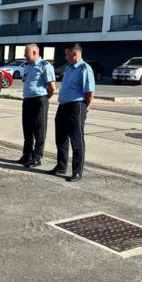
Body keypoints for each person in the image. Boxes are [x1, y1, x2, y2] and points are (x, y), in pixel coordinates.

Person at [47, 43, 95, 182]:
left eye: (67, 54)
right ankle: (61, 166)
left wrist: (85, 106)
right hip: (63, 106)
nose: (65, 57)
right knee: (61, 137)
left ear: (74, 54)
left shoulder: (84, 69)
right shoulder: (68, 68)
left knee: (76, 139)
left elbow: (89, 92)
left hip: (76, 106)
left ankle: (77, 171)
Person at [18, 43, 56, 168]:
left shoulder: (45, 66)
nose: (24, 56)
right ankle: (27, 155)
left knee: (39, 129)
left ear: (34, 52)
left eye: (26, 53)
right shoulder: (28, 66)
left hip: (39, 100)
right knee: (27, 129)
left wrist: (44, 99)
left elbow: (52, 88)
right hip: (27, 100)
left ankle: (37, 157)